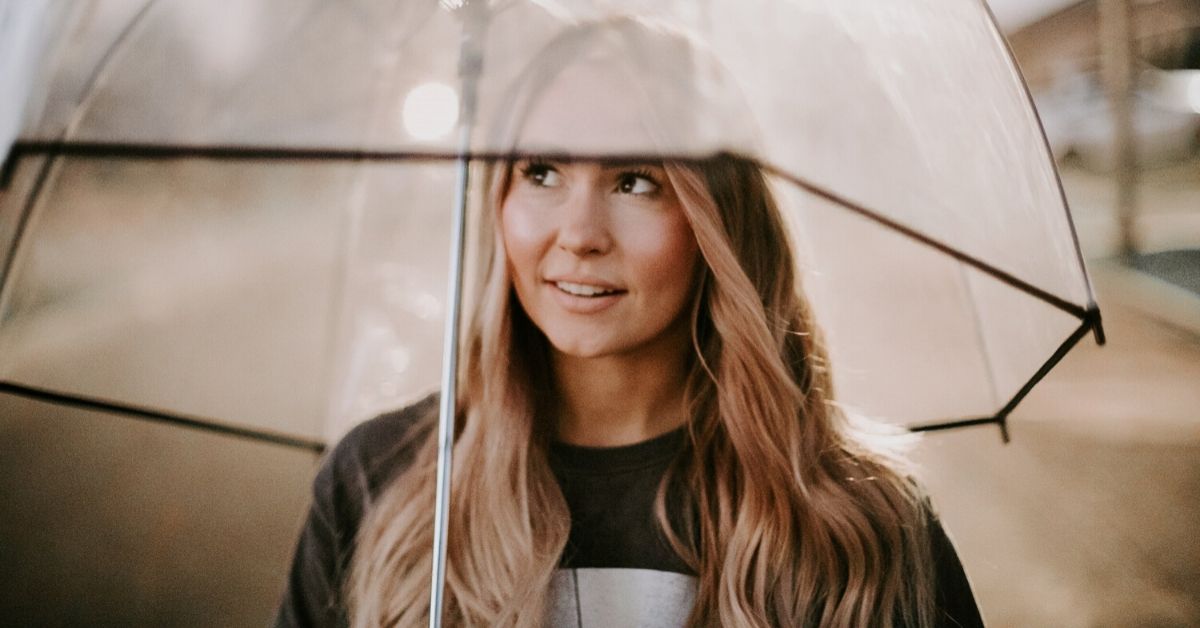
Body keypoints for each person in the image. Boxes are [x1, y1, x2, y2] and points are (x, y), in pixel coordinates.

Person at [276, 14, 984, 628]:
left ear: (716, 222)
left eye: (636, 181)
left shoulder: (863, 528)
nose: (579, 233)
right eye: (542, 172)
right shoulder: (381, 488)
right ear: (497, 198)